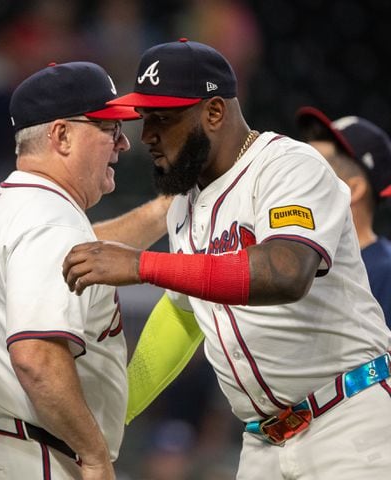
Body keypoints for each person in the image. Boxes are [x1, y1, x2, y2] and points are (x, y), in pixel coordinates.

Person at [62, 39, 391, 479]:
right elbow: (182, 318)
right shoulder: (185, 204)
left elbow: (286, 271)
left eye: (163, 118)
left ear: (214, 113)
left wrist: (142, 265)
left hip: (347, 419)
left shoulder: (289, 166)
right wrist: (114, 416)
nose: (148, 136)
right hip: (263, 441)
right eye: (145, 119)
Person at [0, 61, 140, 479]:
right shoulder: (52, 218)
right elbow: (36, 356)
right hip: (30, 454)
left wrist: (165, 211)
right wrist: (94, 456)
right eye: (110, 128)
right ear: (62, 135)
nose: (123, 143)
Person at [296, 107, 391, 326]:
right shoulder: (297, 262)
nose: (296, 178)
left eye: (315, 169)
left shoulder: (385, 272)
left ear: (353, 190)